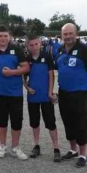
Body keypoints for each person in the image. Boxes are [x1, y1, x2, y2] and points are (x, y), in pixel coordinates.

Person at [0, 24, 30, 160]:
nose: (3, 38)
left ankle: (15, 147)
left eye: (5, 36)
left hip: (15, 92)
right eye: (0, 36)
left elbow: (26, 68)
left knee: (17, 120)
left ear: (9, 37)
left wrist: (12, 72)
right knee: (1, 120)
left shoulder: (17, 50)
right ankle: (2, 145)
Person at [57, 23, 87, 167]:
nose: (68, 37)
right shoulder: (60, 50)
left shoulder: (85, 50)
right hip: (63, 92)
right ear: (62, 35)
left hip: (80, 93)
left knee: (81, 122)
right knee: (67, 120)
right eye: (65, 34)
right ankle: (73, 149)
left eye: (70, 34)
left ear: (76, 34)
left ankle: (82, 154)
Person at [23, 34, 61, 162]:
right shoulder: (27, 59)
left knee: (50, 122)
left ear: (40, 44)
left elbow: (51, 76)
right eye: (31, 45)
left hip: (45, 96)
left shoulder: (47, 57)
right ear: (27, 46)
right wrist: (27, 88)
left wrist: (50, 92)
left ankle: (56, 148)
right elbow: (23, 78)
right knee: (34, 122)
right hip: (32, 97)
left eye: (36, 44)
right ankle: (36, 145)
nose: (34, 47)